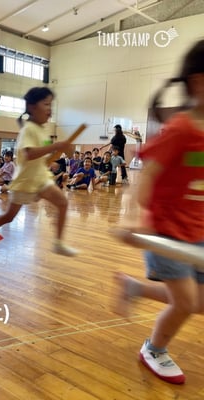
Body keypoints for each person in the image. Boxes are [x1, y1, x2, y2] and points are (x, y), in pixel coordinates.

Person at [115, 39, 204, 385]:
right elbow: (147, 175)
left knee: (198, 302)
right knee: (185, 302)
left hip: (198, 231)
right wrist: (132, 217)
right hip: (166, 232)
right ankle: (154, 349)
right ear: (199, 82)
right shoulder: (181, 128)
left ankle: (134, 289)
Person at [0, 87, 78, 256]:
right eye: (46, 104)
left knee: (62, 202)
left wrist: (57, 157)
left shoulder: (44, 130)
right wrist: (56, 145)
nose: (50, 109)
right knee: (9, 216)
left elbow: (45, 153)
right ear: (32, 107)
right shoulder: (28, 129)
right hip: (25, 181)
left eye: (51, 104)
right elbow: (29, 153)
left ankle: (58, 243)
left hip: (41, 178)